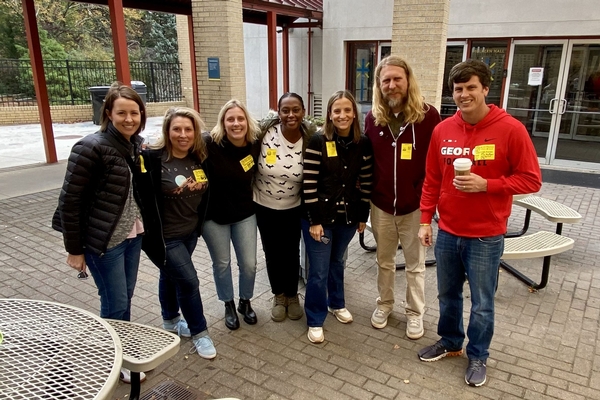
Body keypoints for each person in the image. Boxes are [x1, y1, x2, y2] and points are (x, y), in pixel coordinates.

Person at [417, 59, 542, 387]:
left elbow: (531, 179)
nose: (463, 94)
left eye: (471, 87)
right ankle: (450, 341)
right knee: (447, 295)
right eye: (458, 89)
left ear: (486, 89)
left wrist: (488, 185)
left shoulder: (510, 129)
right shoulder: (443, 130)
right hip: (448, 231)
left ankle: (479, 355)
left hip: (486, 235)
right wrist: (425, 220)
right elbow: (431, 179)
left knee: (483, 303)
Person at [52, 82, 148, 383]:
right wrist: (75, 249)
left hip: (132, 236)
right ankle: (116, 358)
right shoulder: (90, 147)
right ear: (108, 113)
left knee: (125, 297)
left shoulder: (135, 145)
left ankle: (125, 349)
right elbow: (70, 201)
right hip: (104, 242)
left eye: (135, 113)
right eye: (122, 113)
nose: (129, 119)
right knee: (115, 301)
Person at [365, 55, 441, 339]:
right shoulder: (373, 118)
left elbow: (436, 166)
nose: (392, 85)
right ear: (379, 85)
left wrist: (428, 207)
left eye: (397, 79)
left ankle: (415, 313)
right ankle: (384, 304)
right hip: (382, 205)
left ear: (408, 81)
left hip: (414, 207)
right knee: (384, 261)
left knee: (415, 265)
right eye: (386, 80)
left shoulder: (428, 116)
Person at [138, 107, 216, 359]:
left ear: (195, 133)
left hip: (189, 232)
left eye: (188, 129)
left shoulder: (198, 156)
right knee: (189, 282)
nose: (183, 134)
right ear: (167, 131)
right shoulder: (152, 158)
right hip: (164, 237)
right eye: (177, 129)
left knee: (171, 277)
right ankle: (199, 332)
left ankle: (170, 321)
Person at [302, 90, 373, 344]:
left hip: (347, 217)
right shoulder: (317, 141)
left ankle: (337, 303)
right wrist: (314, 220)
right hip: (319, 218)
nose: (342, 115)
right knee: (318, 271)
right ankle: (314, 318)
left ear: (354, 113)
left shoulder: (362, 143)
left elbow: (365, 181)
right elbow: (308, 183)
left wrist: (362, 215)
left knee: (338, 263)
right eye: (337, 111)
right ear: (330, 115)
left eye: (347, 110)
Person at [254, 93, 316, 322]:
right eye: (285, 110)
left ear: (303, 111)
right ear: (278, 112)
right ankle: (278, 295)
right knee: (272, 253)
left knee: (291, 252)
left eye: (296, 109)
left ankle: (292, 295)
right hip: (264, 205)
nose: (291, 115)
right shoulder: (265, 133)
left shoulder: (310, 137)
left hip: (294, 206)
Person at [202, 99, 260, 330]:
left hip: (245, 212)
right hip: (214, 217)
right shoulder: (209, 144)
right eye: (230, 119)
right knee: (222, 264)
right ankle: (228, 303)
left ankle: (245, 301)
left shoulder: (255, 144)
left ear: (247, 121)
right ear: (223, 123)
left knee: (249, 264)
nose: (236, 123)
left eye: (240, 118)